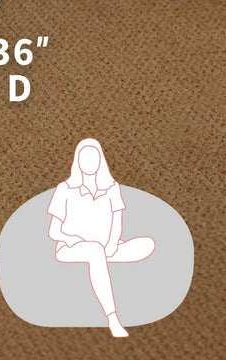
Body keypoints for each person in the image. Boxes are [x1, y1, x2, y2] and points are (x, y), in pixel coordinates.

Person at [47, 138, 156, 337]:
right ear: (77, 161)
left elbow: (117, 221)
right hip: (71, 247)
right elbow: (53, 231)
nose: (89, 163)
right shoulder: (65, 189)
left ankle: (103, 259)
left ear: (100, 160)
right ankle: (112, 317)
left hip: (106, 247)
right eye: (85, 158)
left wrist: (113, 243)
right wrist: (71, 239)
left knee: (147, 244)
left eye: (94, 158)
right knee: (94, 251)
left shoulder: (112, 188)